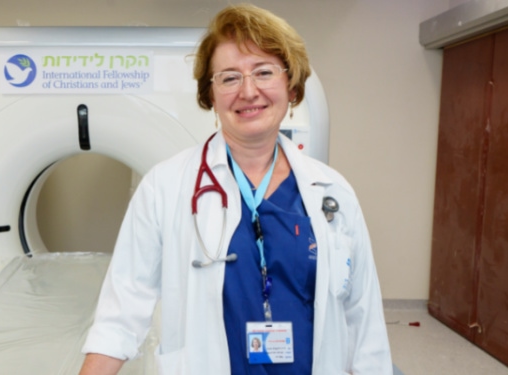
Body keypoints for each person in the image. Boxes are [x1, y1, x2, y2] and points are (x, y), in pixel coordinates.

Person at [79, 3, 392, 374]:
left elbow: (363, 316)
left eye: (264, 72)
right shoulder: (165, 187)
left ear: (291, 87)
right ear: (210, 96)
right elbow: (121, 312)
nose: (248, 91)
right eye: (229, 78)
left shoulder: (332, 192)